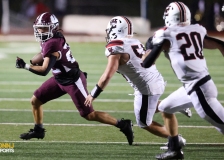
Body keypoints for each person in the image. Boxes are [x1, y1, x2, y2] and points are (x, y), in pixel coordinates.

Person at [15, 12, 134, 145]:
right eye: (39, 28)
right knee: (35, 100)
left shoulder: (52, 43)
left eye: (43, 28)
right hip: (59, 78)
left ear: (53, 28)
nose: (40, 31)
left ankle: (123, 124)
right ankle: (38, 130)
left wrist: (25, 65)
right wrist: (36, 59)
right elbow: (46, 53)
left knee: (89, 115)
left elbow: (44, 70)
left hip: (73, 81)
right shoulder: (54, 37)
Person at [84, 16, 187, 147]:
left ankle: (175, 140)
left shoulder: (116, 47)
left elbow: (107, 76)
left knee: (144, 122)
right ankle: (175, 105)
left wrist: (93, 94)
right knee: (146, 109)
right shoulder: (134, 42)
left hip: (146, 87)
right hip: (154, 80)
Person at [142, 2, 224, 159]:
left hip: (199, 90)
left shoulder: (166, 34)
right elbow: (220, 44)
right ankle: (175, 150)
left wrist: (150, 48)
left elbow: (147, 63)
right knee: (166, 108)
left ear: (169, 17)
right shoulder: (196, 30)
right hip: (195, 86)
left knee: (222, 125)